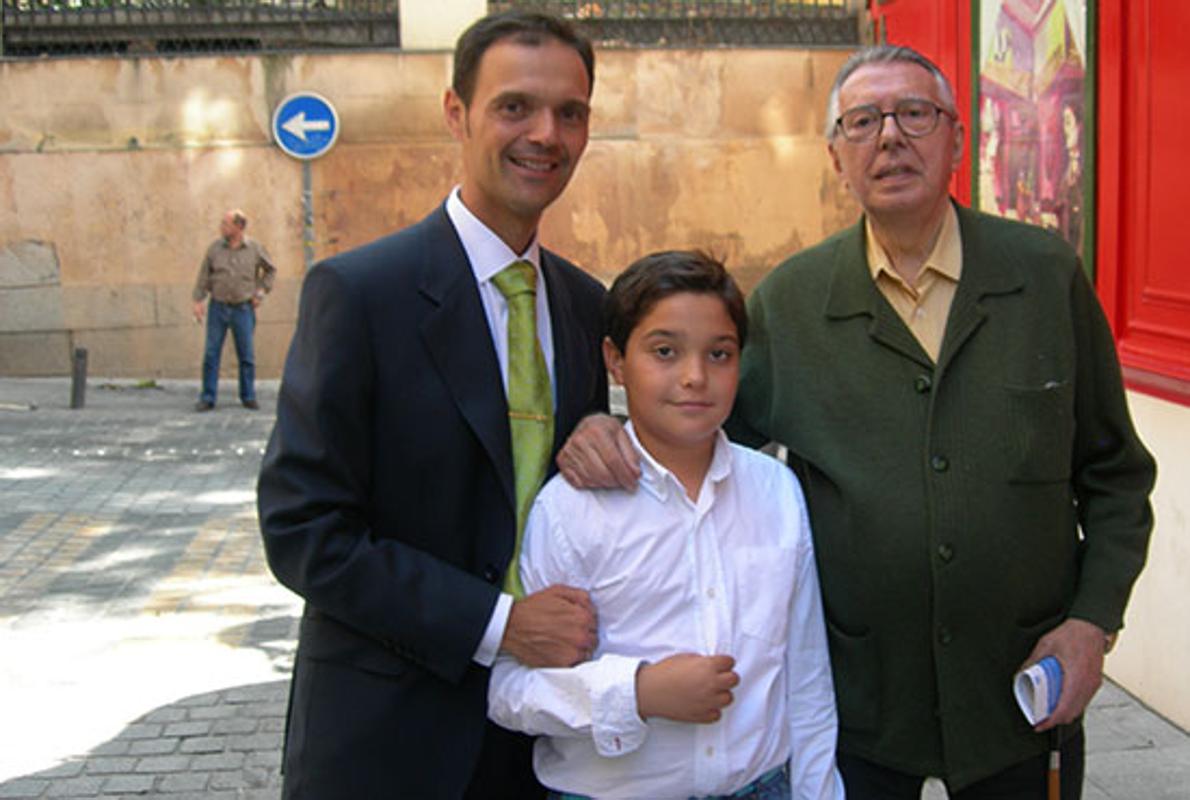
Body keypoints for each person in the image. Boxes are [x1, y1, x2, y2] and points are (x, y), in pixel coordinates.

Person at [557, 46, 1156, 799]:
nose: (891, 137)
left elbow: (1116, 476)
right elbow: (700, 446)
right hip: (859, 706)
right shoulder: (793, 302)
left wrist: (1092, 623)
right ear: (837, 156)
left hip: (1025, 694)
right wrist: (606, 432)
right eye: (863, 121)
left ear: (958, 139)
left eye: (916, 114)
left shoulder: (1043, 276)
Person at [256, 12, 607, 799]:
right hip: (386, 743)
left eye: (570, 112)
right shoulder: (359, 294)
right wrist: (496, 623)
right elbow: (304, 529)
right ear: (457, 113)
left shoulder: (588, 309)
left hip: (544, 744)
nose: (545, 134)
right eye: (514, 107)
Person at [488, 251, 844, 800]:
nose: (695, 377)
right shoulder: (570, 510)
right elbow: (510, 690)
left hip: (762, 786)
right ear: (615, 359)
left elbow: (806, 675)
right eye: (664, 352)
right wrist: (636, 693)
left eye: (719, 354)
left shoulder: (775, 492)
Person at [192, 209, 276, 411]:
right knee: (212, 354)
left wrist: (261, 293)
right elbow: (204, 275)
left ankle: (248, 396)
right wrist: (198, 300)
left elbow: (270, 270)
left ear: (239, 227)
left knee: (246, 355)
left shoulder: (254, 248)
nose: (222, 228)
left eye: (226, 224)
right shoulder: (214, 249)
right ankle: (208, 397)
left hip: (243, 308)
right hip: (218, 307)